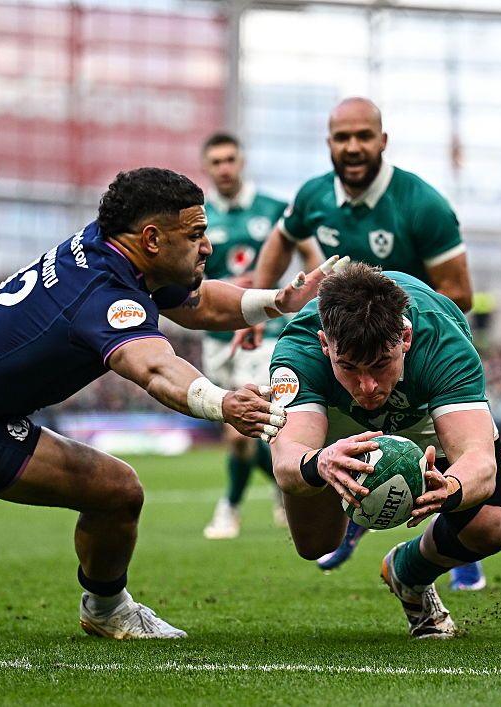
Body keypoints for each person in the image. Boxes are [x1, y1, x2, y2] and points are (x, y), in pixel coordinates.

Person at [0, 167, 344, 637]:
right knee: (117, 492)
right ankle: (107, 608)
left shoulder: (107, 245)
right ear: (152, 238)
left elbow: (196, 301)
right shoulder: (105, 294)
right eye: (196, 234)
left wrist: (277, 301)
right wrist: (222, 402)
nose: (207, 246)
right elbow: (153, 367)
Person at [241, 97, 482, 586]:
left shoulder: (423, 205)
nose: (352, 147)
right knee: (312, 541)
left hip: (405, 348)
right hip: (344, 354)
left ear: (382, 141)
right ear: (328, 142)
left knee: (481, 515)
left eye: (363, 136)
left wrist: (393, 314)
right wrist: (261, 304)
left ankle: (451, 542)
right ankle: (362, 501)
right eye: (342, 137)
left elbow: (459, 294)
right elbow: (282, 237)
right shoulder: (314, 196)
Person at [267, 263, 501, 638]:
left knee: (489, 529)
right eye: (349, 367)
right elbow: (287, 461)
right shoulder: (298, 350)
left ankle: (408, 571)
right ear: (324, 344)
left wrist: (451, 488)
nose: (367, 386)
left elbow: (479, 461)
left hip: (424, 410)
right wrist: (321, 462)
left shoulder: (441, 340)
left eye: (381, 364)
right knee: (315, 543)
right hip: (336, 419)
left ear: (406, 338)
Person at [198, 132, 323, 539]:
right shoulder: (199, 217)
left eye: (230, 159)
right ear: (207, 167)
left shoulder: (272, 209)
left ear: (242, 161)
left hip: (263, 333)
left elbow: (310, 255)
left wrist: (304, 294)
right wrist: (217, 286)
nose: (224, 168)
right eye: (216, 162)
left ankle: (229, 508)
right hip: (217, 338)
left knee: (244, 430)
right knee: (241, 435)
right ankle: (282, 487)